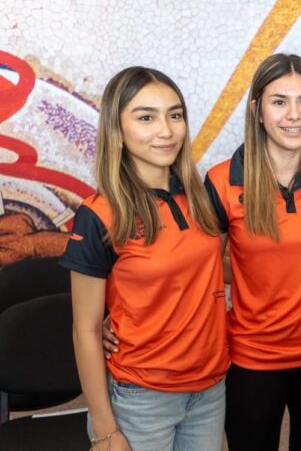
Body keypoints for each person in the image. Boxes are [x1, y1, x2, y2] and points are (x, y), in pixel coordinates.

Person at [62, 67, 228, 451]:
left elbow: (201, 275)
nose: (166, 131)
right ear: (117, 129)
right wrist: (105, 429)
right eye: (146, 117)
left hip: (209, 388)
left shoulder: (200, 197)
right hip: (142, 396)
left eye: (175, 115)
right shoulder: (100, 214)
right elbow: (85, 330)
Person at [204, 53, 301, 451]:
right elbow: (199, 269)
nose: (294, 115)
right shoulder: (222, 181)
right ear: (257, 110)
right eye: (279, 101)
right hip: (251, 360)